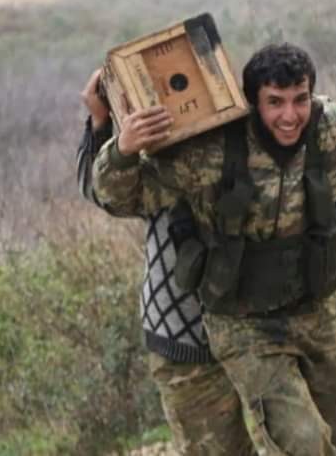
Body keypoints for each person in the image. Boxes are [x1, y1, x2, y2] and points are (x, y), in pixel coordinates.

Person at [92, 0, 336, 456]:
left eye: (299, 100)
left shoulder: (331, 128)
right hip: (242, 323)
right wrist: (123, 149)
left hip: (312, 309)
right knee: (303, 443)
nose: (289, 116)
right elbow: (121, 197)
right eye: (275, 103)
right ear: (253, 102)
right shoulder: (212, 151)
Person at [77, 70, 255, 456]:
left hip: (261, 330)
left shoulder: (251, 138)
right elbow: (102, 192)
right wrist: (103, 126)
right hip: (183, 337)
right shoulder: (156, 158)